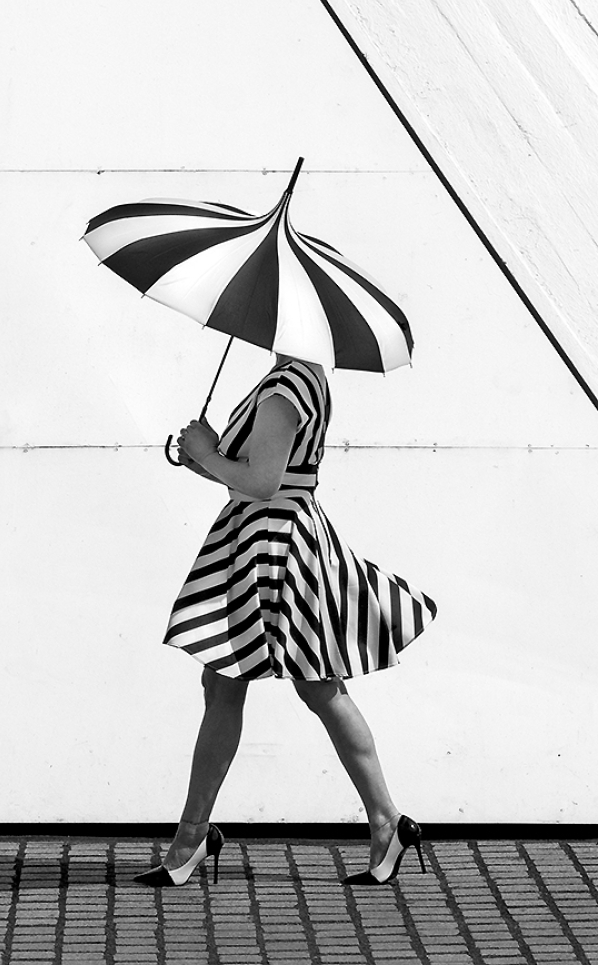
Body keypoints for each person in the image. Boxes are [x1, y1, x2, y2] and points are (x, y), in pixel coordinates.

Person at [134, 353, 436, 889]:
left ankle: (193, 837)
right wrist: (205, 459)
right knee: (300, 687)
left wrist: (207, 453)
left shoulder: (283, 388)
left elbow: (264, 483)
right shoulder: (304, 378)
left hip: (270, 545)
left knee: (258, 684)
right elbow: (262, 475)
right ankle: (385, 822)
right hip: (278, 537)